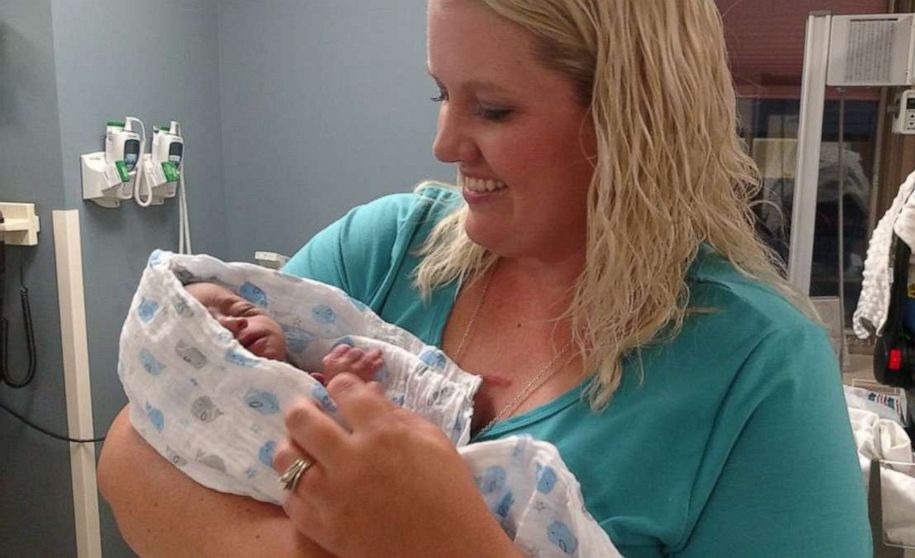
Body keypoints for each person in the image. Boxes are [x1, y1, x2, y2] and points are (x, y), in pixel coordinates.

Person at [97, 1, 872, 556]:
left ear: (634, 119)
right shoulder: (383, 251)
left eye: (493, 109)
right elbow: (138, 450)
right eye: (442, 93)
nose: (442, 143)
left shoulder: (758, 369)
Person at [183, 280, 385, 386]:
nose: (232, 323)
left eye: (244, 311)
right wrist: (345, 386)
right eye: (210, 328)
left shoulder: (311, 375)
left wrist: (342, 382)